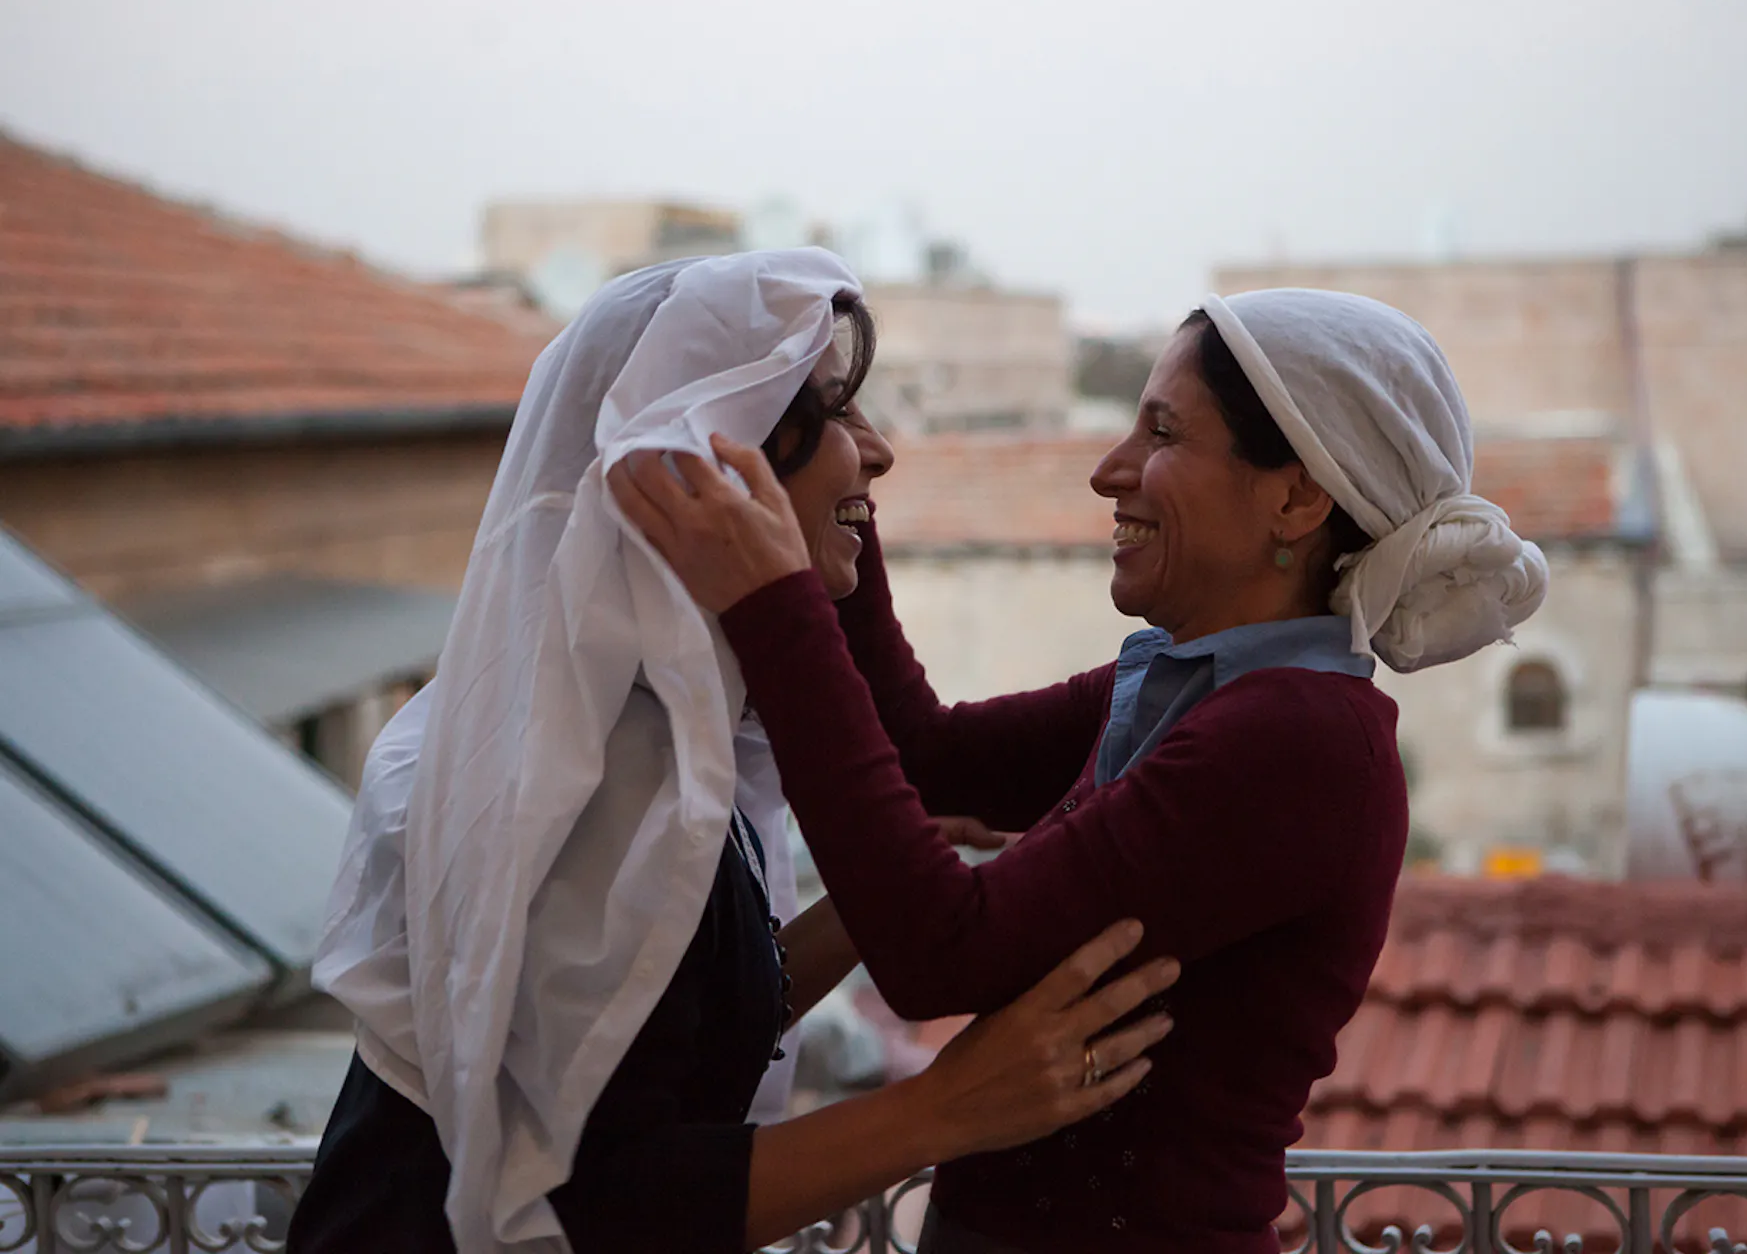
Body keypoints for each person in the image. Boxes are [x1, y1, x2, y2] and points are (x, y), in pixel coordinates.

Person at [613, 286, 1550, 1253]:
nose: (1110, 473)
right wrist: (828, 482)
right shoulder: (1189, 689)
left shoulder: (1301, 742)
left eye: (1162, 435)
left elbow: (940, 951)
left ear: (1297, 495)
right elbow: (929, 760)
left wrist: (776, 605)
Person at [287, 250, 1178, 1254]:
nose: (878, 454)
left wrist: (886, 890)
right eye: (836, 415)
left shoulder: (650, 729)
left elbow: (667, 1026)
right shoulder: (585, 779)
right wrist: (949, 1109)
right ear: (717, 462)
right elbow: (589, 1202)